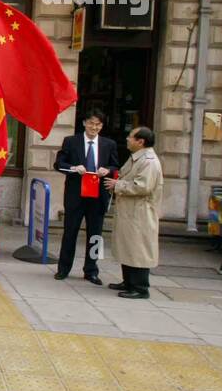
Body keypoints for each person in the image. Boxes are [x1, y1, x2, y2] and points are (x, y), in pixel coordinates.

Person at [54, 108, 120, 284]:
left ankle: (91, 270)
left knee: (96, 234)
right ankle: (63, 268)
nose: (94, 127)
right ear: (84, 123)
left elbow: (116, 166)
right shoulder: (71, 141)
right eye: (91, 123)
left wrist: (108, 170)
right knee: (70, 232)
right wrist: (75, 168)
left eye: (98, 124)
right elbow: (59, 164)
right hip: (76, 194)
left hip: (98, 196)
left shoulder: (109, 144)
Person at [104, 126, 164, 299]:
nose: (127, 139)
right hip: (130, 212)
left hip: (141, 213)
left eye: (131, 137)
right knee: (128, 247)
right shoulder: (136, 158)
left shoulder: (149, 161)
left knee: (139, 249)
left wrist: (118, 185)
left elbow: (143, 186)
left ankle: (140, 287)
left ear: (140, 141)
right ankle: (128, 281)